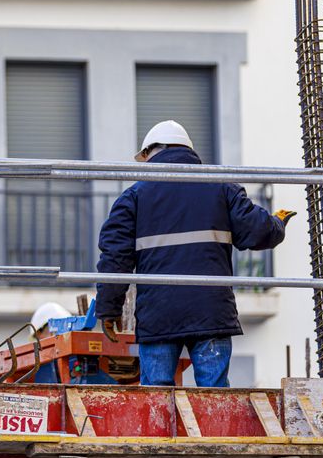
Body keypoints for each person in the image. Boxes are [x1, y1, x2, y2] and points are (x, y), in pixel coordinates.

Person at [95, 120, 294, 387]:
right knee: (214, 403)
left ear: (150, 152)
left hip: (159, 316)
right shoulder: (221, 187)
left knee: (157, 402)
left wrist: (109, 308)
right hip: (211, 311)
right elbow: (258, 231)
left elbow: (114, 258)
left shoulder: (134, 197)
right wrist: (277, 224)